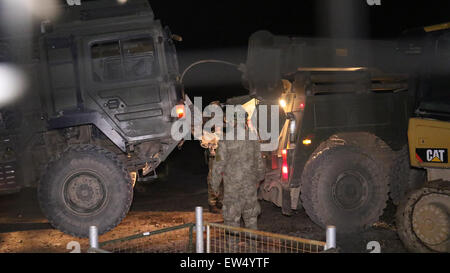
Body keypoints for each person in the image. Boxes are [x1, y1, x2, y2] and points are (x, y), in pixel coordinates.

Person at [210, 112, 265, 230]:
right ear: (244, 121)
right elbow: (260, 163)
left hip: (232, 191)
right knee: (251, 223)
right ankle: (252, 247)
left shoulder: (225, 140)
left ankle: (233, 248)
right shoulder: (253, 138)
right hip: (249, 189)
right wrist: (258, 180)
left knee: (232, 225)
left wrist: (214, 186)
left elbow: (218, 166)